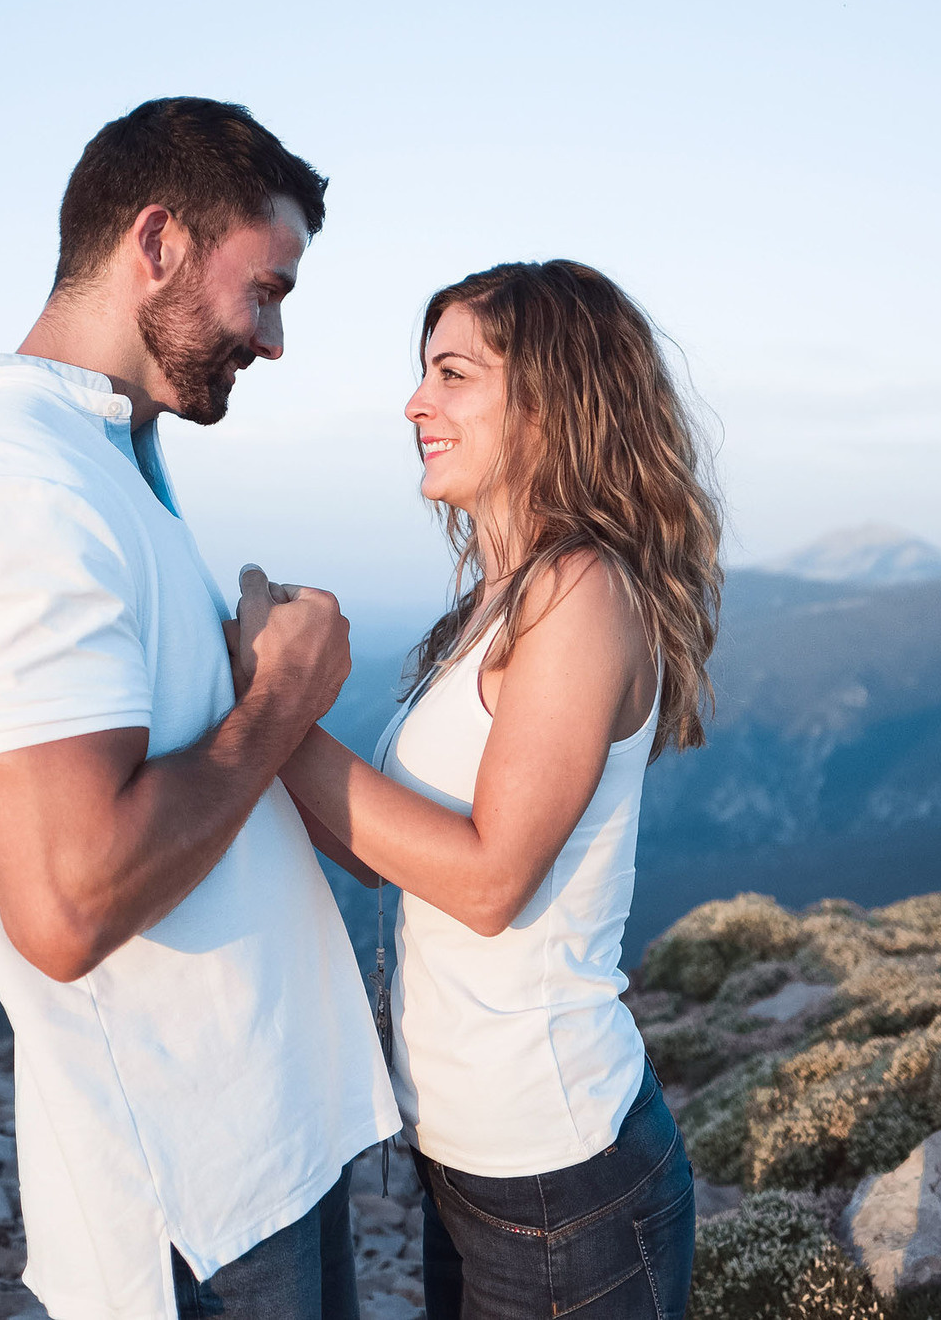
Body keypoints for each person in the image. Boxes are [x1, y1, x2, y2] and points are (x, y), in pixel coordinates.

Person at [0, 97, 399, 1320]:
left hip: (249, 1152)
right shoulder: (15, 498)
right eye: (264, 289)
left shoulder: (97, 466)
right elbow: (66, 902)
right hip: (190, 1196)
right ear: (154, 241)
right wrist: (281, 698)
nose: (271, 340)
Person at [245, 260, 719, 1320]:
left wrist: (276, 711)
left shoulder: (582, 592)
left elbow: (490, 879)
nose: (417, 403)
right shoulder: (500, 600)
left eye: (453, 374)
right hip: (479, 1160)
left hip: (561, 1174)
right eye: (424, 374)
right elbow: (392, 855)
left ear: (552, 399)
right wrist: (248, 727)